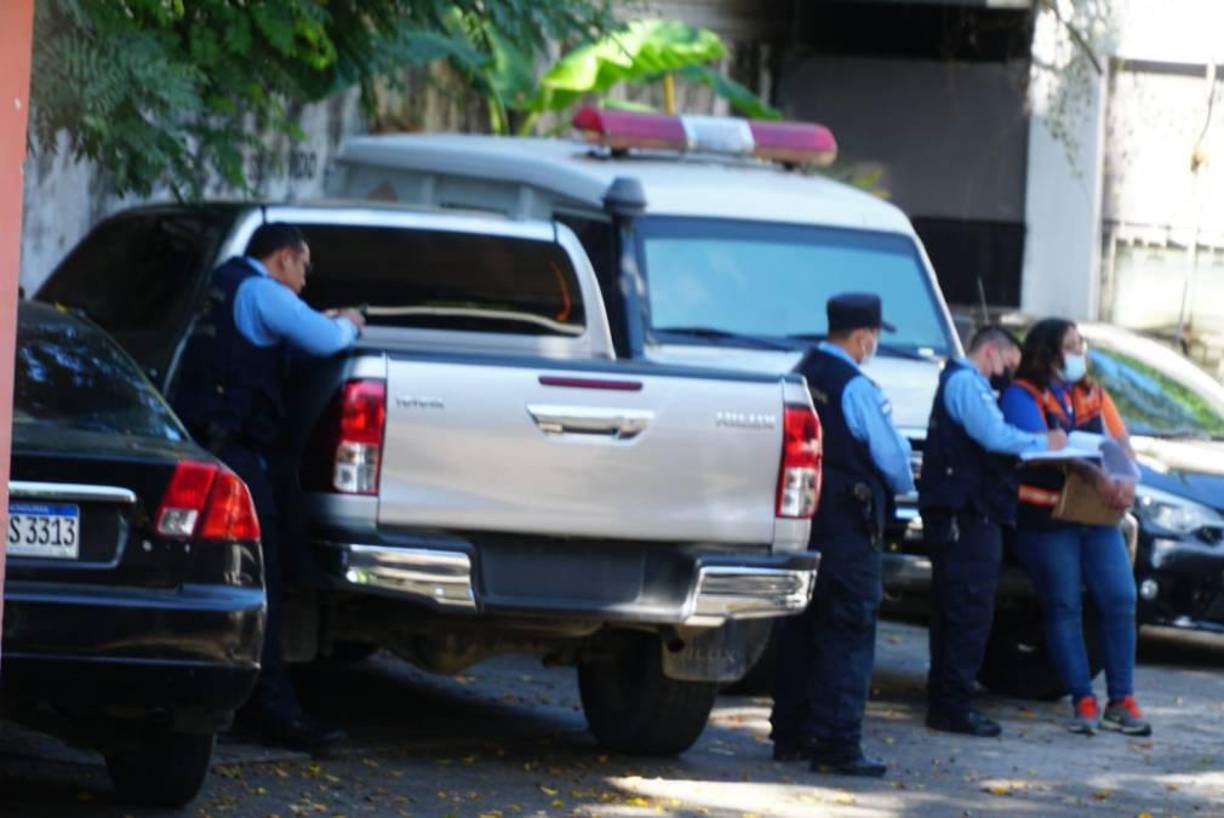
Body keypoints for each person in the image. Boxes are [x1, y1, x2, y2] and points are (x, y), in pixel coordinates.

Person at [172, 222, 366, 754]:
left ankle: (219, 697)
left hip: (203, 449)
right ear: (282, 258)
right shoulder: (263, 291)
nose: (303, 282)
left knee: (217, 576)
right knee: (266, 582)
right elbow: (325, 339)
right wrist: (351, 322)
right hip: (237, 456)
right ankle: (273, 710)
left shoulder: (225, 285)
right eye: (303, 268)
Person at [770, 292, 914, 778]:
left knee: (799, 628)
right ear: (862, 336)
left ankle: (791, 733)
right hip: (851, 526)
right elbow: (892, 462)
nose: (873, 344)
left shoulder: (801, 370)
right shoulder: (857, 387)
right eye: (873, 336)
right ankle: (837, 745)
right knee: (849, 631)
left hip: (800, 520)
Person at [999, 318, 1150, 736]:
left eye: (1080, 343)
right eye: (1071, 345)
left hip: (1095, 518)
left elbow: (1120, 442)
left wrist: (1125, 482)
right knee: (1063, 604)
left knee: (1120, 598)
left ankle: (1122, 699)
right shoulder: (1021, 395)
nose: (1079, 351)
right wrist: (1095, 475)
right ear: (1048, 353)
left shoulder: (1091, 392)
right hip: (1045, 521)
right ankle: (1082, 699)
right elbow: (1040, 450)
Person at [919, 326, 1068, 738]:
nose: (1008, 374)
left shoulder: (964, 382)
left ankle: (948, 701)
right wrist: (1044, 443)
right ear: (990, 352)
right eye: (1008, 365)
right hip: (968, 517)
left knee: (959, 610)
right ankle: (953, 705)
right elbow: (994, 436)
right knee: (968, 611)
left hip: (970, 514)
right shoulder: (967, 383)